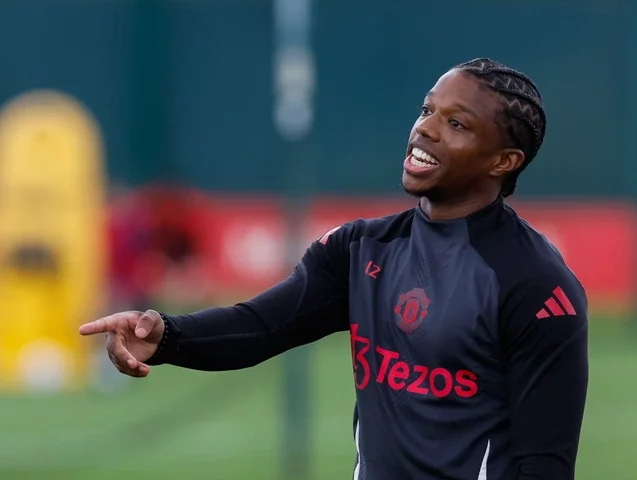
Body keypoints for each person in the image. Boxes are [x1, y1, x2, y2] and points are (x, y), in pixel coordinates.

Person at [80, 58, 589, 480]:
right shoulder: (361, 248)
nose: (425, 128)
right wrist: (165, 334)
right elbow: (259, 327)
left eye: (456, 124)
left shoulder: (535, 285)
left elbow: (543, 464)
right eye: (427, 109)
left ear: (504, 161)